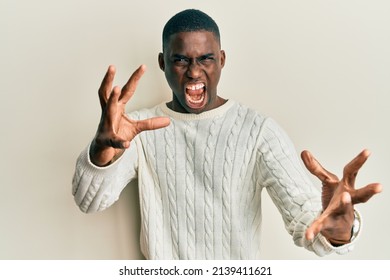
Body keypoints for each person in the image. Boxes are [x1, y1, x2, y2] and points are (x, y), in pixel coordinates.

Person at [72, 9, 381, 259]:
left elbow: (306, 220)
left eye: (205, 58)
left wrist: (339, 229)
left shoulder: (258, 130)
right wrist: (102, 151)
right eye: (181, 60)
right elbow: (90, 202)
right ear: (163, 63)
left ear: (221, 60)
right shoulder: (137, 128)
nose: (194, 72)